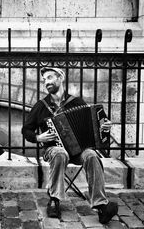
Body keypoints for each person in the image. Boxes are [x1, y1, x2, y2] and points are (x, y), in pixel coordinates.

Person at [21, 67, 118, 224]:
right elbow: (26, 130)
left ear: (60, 78)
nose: (46, 82)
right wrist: (39, 137)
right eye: (44, 79)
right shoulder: (41, 106)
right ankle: (54, 200)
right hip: (53, 149)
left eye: (50, 77)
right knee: (60, 153)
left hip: (78, 151)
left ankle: (101, 206)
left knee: (92, 156)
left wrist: (104, 126)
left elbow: (95, 123)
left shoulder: (76, 102)